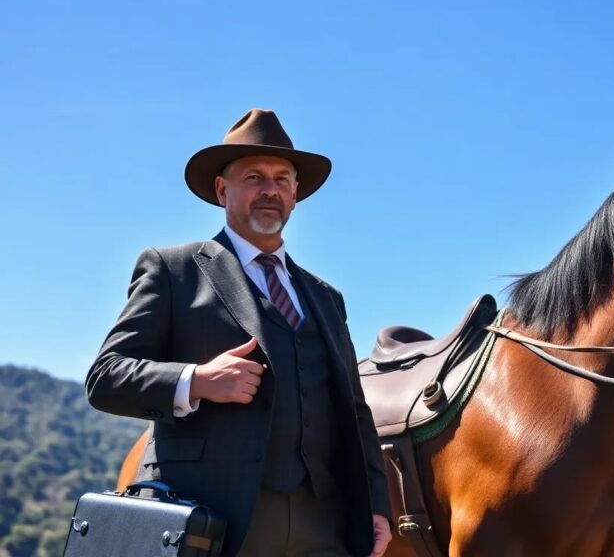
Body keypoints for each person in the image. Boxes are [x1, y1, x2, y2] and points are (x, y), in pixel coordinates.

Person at [86, 108, 392, 557]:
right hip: (214, 521)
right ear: (221, 189)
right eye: (253, 177)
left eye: (282, 179)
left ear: (295, 194)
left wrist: (376, 505)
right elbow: (106, 377)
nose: (270, 189)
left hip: (323, 525)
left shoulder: (326, 297)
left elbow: (355, 411)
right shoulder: (173, 270)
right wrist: (196, 380)